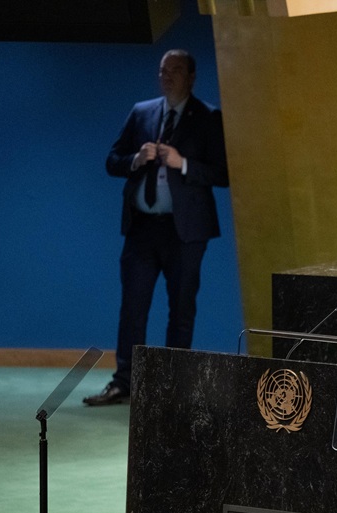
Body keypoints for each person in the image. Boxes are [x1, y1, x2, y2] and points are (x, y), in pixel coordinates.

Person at [84, 49, 230, 406]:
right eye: (163, 70)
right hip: (142, 229)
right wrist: (135, 159)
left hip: (186, 233)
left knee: (181, 309)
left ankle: (173, 385)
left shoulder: (209, 118)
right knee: (132, 307)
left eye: (175, 71)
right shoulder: (142, 112)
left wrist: (183, 164)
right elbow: (112, 160)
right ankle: (125, 382)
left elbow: (223, 174)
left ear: (191, 77)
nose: (167, 76)